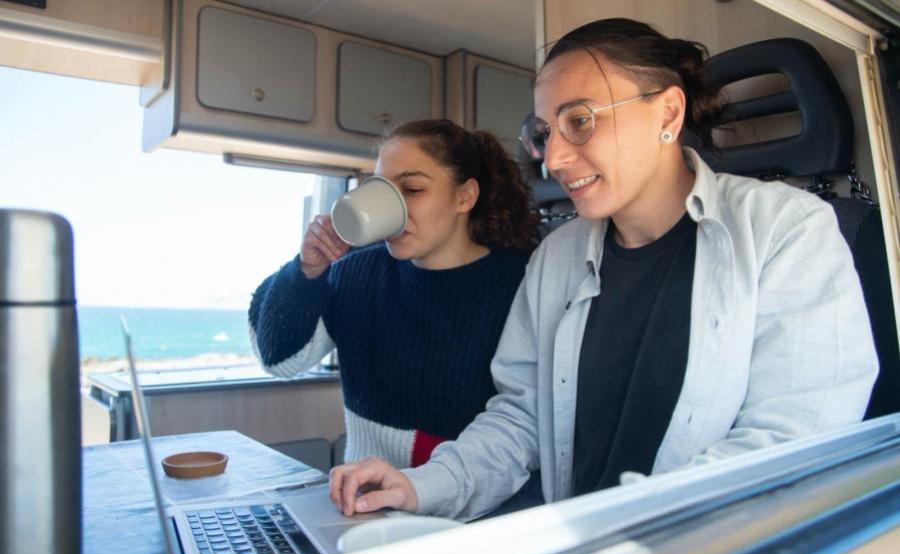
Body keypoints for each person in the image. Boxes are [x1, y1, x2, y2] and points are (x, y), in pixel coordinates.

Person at [328, 18, 879, 521]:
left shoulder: (786, 231)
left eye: (581, 121)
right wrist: (421, 485)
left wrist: (634, 540)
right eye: (544, 132)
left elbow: (792, 441)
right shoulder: (557, 258)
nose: (555, 158)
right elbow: (521, 418)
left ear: (667, 113)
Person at [249, 118, 540, 474]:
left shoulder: (523, 282)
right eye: (382, 190)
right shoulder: (355, 274)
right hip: (367, 505)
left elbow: (533, 424)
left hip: (478, 513)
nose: (393, 207)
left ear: (464, 196)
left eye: (412, 190)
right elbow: (280, 360)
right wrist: (306, 270)